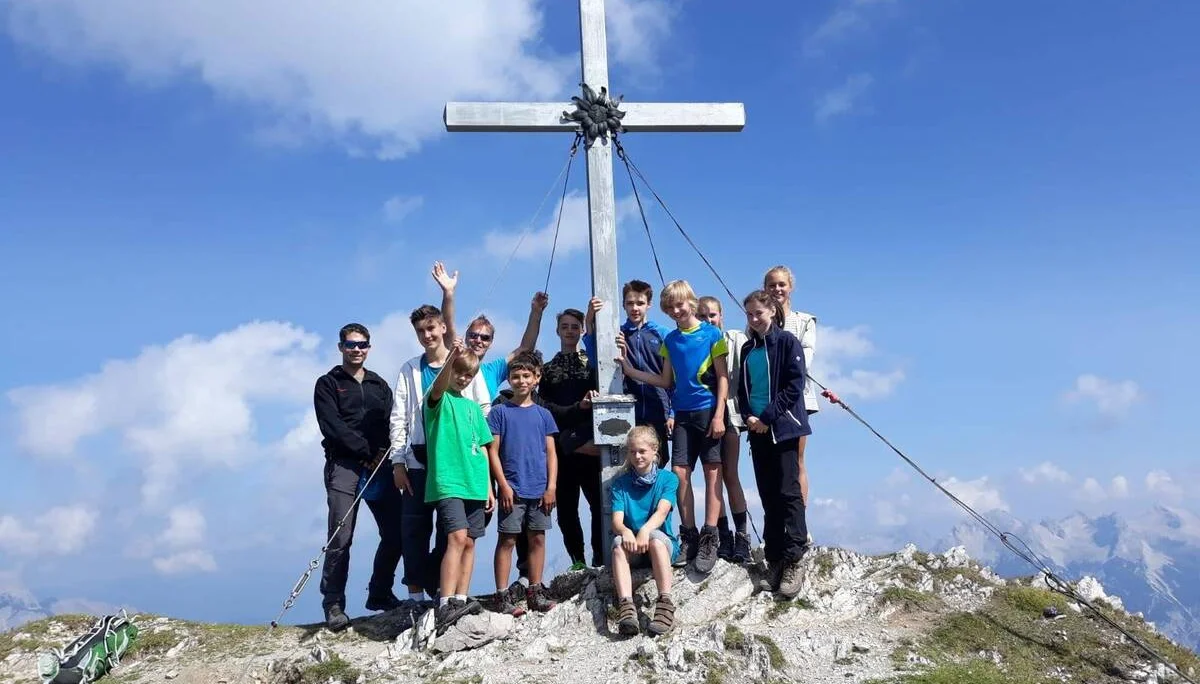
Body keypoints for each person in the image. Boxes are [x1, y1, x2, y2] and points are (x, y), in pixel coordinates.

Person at [616, 279, 729, 575]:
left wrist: (719, 416)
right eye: (671, 307)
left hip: (708, 410)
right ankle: (689, 534)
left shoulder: (712, 334)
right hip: (682, 413)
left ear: (691, 302)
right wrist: (629, 370)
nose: (677, 310)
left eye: (680, 304)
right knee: (679, 473)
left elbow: (723, 379)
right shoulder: (670, 341)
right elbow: (666, 381)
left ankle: (710, 536)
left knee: (712, 471)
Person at [390, 303, 489, 608]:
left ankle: (444, 594)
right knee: (415, 530)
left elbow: (482, 409)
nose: (427, 335)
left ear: (443, 328)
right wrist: (397, 460)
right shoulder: (410, 369)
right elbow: (399, 417)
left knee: (454, 535)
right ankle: (415, 596)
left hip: (459, 462)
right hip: (418, 459)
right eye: (420, 330)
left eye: (431, 328)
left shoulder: (465, 365)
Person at [314, 323, 402, 631]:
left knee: (396, 532)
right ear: (340, 347)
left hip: (381, 465)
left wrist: (386, 453)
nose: (356, 349)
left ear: (369, 347)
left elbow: (395, 420)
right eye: (351, 344)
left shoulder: (379, 384)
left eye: (362, 344)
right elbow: (331, 426)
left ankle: (379, 592)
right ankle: (334, 603)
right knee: (341, 537)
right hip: (345, 466)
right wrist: (365, 451)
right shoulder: (327, 383)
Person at [737, 290, 813, 598]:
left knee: (788, 492)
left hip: (782, 429)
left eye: (759, 313)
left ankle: (794, 558)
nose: (755, 319)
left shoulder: (786, 342)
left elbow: (795, 385)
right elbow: (744, 391)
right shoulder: (747, 349)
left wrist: (768, 416)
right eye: (750, 314)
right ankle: (775, 559)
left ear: (772, 312)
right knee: (768, 495)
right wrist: (748, 417)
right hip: (756, 431)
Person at [424, 340, 495, 631]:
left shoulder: (474, 408)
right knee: (455, 537)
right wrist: (451, 356)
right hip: (449, 482)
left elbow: (485, 447)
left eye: (469, 374)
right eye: (459, 372)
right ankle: (445, 602)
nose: (463, 378)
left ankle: (462, 598)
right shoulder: (437, 400)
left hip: (476, 483)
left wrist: (490, 487)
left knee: (469, 541)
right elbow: (439, 387)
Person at [486, 351, 559, 616]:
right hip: (512, 489)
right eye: (515, 376)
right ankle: (502, 595)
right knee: (507, 539)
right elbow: (492, 451)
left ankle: (535, 591)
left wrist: (551, 487)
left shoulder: (544, 415)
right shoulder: (498, 413)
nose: (520, 381)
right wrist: (502, 485)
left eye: (526, 375)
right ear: (509, 380)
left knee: (538, 538)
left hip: (539, 488)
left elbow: (551, 453)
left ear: (536, 378)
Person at [583, 279, 674, 467]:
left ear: (649, 304)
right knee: (628, 466)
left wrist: (672, 413)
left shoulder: (663, 334)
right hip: (628, 411)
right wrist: (589, 321)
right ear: (623, 304)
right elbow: (595, 361)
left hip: (658, 410)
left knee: (658, 463)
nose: (635, 308)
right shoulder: (618, 334)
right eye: (630, 303)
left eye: (640, 303)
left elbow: (674, 378)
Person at [432, 260, 548, 403]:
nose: (478, 340)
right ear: (466, 337)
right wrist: (448, 293)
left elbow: (525, 348)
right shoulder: (456, 357)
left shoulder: (493, 370)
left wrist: (536, 312)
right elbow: (448, 327)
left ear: (491, 343)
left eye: (485, 337)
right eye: (473, 335)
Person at [540, 307, 603, 570]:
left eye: (574, 326)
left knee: (599, 506)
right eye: (564, 326)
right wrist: (578, 410)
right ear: (557, 331)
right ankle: (577, 560)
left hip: (591, 446)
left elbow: (602, 407)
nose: (569, 331)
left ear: (582, 330)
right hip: (563, 449)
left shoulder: (594, 365)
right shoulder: (547, 369)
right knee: (567, 510)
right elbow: (545, 409)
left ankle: (601, 557)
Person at [762, 265, 817, 541]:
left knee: (796, 461)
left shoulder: (804, 321)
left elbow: (804, 361)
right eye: (772, 285)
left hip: (797, 400)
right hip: (767, 404)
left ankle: (798, 523)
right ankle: (779, 522)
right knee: (773, 468)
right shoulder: (758, 322)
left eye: (781, 284)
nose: (777, 290)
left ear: (790, 287)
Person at [610, 426, 680, 637]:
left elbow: (662, 511)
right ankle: (627, 607)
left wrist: (645, 531)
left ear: (654, 450)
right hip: (635, 547)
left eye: (642, 451)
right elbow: (617, 520)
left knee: (656, 540)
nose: (637, 456)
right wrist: (625, 531)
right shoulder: (620, 484)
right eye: (632, 452)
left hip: (660, 543)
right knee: (617, 544)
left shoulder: (668, 479)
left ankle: (665, 604)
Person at [697, 295, 751, 564]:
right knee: (713, 476)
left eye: (712, 315)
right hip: (703, 415)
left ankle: (742, 535)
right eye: (703, 315)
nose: (708, 320)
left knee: (730, 473)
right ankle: (722, 535)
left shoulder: (734, 340)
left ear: (721, 316)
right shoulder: (695, 340)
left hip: (730, 413)